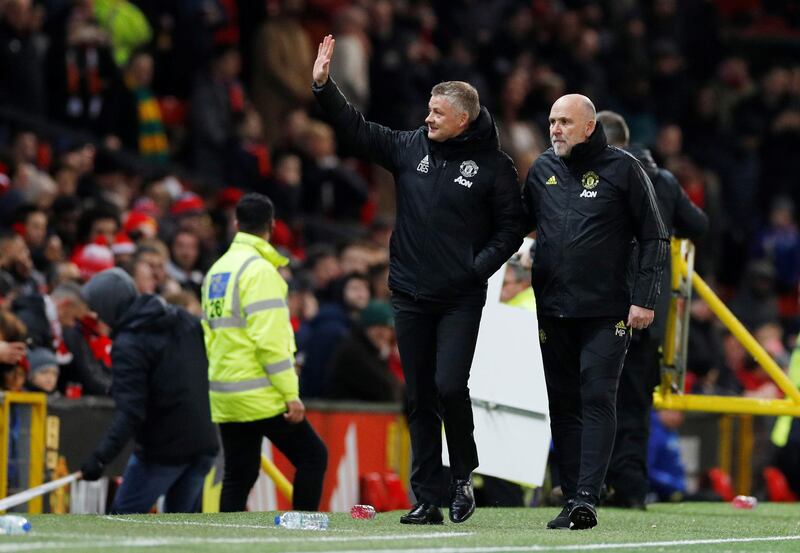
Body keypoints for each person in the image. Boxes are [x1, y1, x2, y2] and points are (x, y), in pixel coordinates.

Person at [312, 35, 523, 524]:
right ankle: (428, 497)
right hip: (408, 293)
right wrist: (325, 88)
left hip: (459, 298)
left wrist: (478, 266)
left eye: (437, 113)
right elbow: (358, 131)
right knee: (419, 396)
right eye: (428, 110)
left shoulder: (494, 167)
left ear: (463, 120)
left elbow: (512, 227)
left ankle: (463, 475)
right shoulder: (410, 148)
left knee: (450, 386)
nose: (427, 119)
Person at [522, 95, 669, 529]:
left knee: (597, 395)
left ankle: (586, 497)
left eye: (565, 121)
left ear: (589, 127)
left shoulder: (624, 169)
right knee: (563, 404)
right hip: (552, 308)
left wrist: (644, 298)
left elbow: (655, 236)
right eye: (551, 121)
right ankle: (571, 497)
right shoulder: (542, 170)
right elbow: (517, 225)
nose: (555, 129)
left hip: (608, 310)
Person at [597, 110, 708, 509]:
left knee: (593, 399)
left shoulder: (599, 175)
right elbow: (698, 224)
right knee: (634, 405)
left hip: (601, 307)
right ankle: (629, 489)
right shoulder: (661, 179)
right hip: (649, 311)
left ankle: (590, 485)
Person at [201, 193, 327, 512]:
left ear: (236, 223)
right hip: (261, 392)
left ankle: (225, 543)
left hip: (225, 391)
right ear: (272, 225)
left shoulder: (217, 271)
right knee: (313, 456)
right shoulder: (260, 272)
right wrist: (290, 393)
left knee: (239, 475)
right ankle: (302, 535)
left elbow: (209, 333)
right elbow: (269, 341)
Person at [79, 268, 219, 513]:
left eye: (97, 309)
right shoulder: (184, 319)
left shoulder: (129, 343)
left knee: (122, 522)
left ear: (108, 307)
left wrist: (100, 458)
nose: (96, 316)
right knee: (180, 531)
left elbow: (131, 413)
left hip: (164, 449)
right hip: (204, 442)